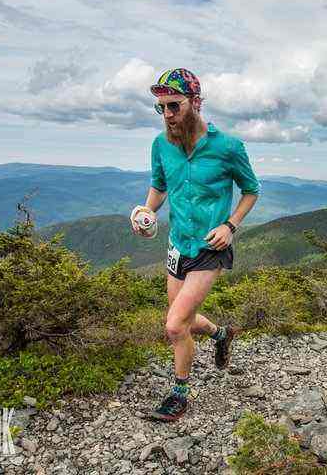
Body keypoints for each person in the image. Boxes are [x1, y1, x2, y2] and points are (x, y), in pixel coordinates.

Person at [130, 68, 261, 421]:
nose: (168, 115)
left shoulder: (228, 147)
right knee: (183, 320)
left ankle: (179, 394)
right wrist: (148, 211)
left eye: (175, 105)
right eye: (162, 108)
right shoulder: (161, 145)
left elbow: (251, 190)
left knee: (174, 326)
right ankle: (221, 334)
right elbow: (159, 186)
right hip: (177, 245)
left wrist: (230, 225)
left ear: (196, 103)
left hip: (210, 247)